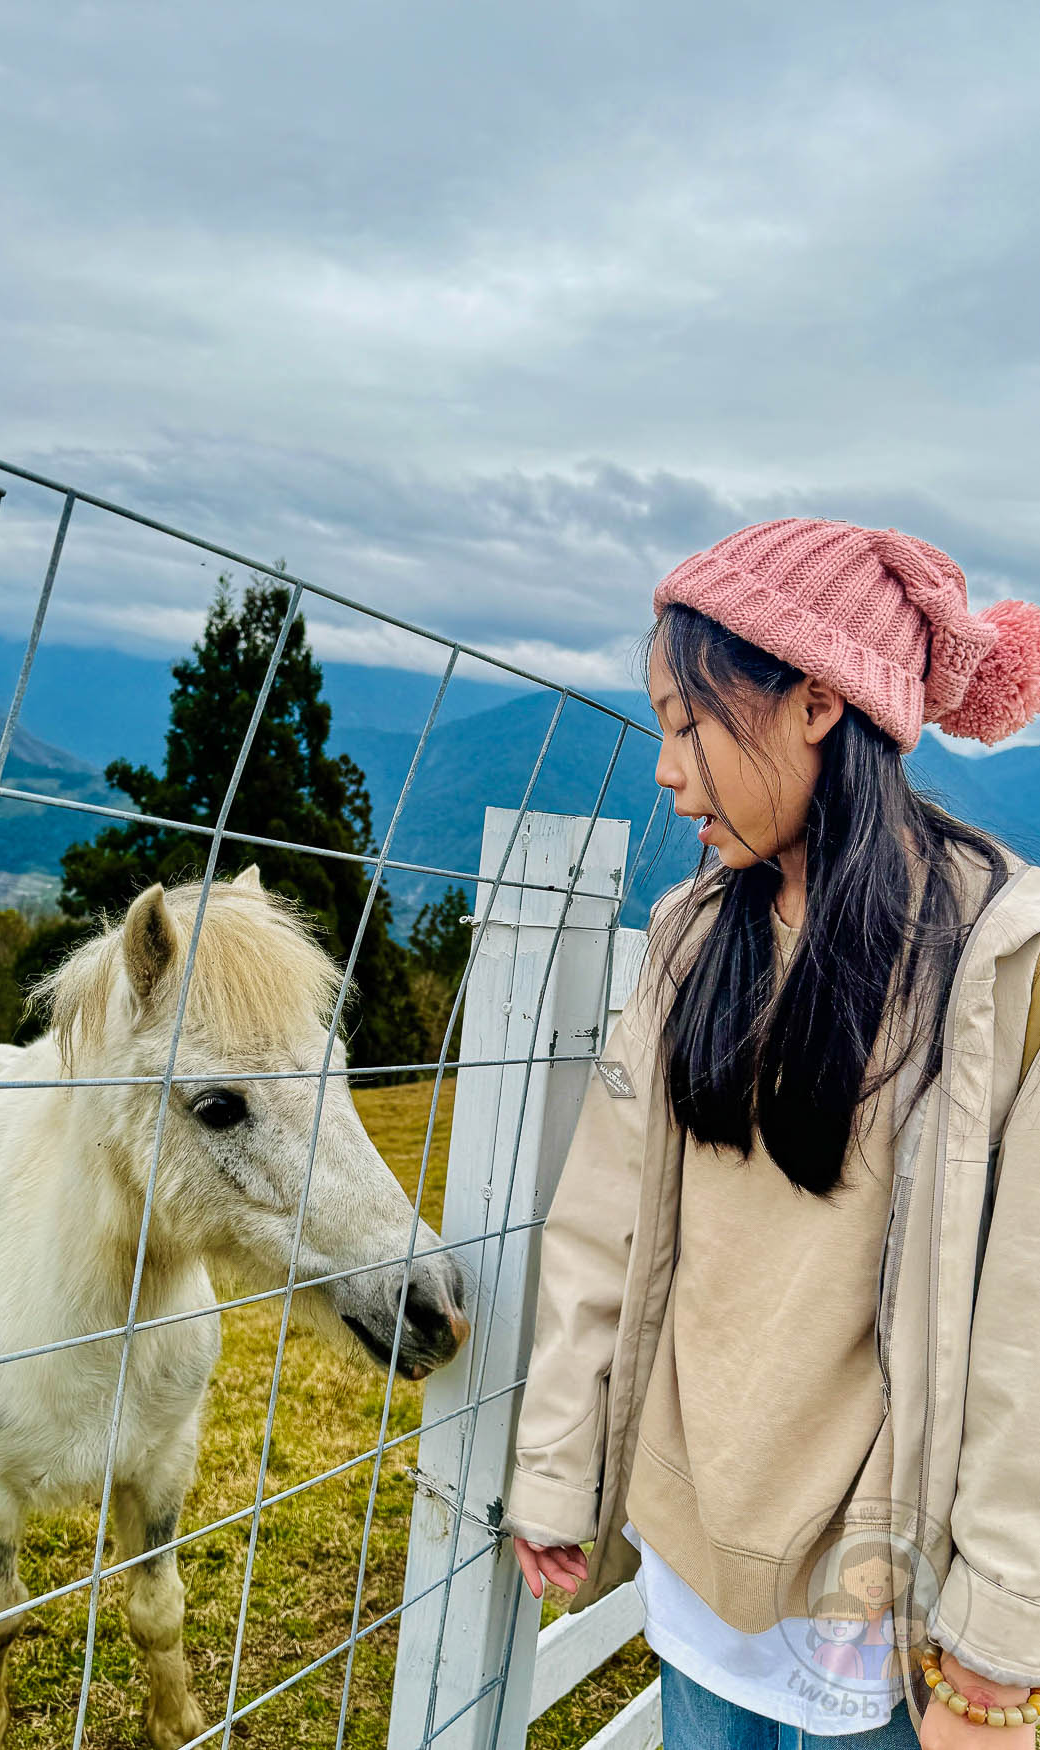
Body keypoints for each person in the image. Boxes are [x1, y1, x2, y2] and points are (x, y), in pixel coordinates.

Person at [499, 519, 1040, 1747]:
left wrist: (1000, 1635)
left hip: (880, 1618)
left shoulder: (994, 963)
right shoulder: (689, 939)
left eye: (687, 723)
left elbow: (1027, 1320)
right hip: (693, 1577)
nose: (663, 770)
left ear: (814, 700)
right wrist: (557, 1468)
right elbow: (600, 1226)